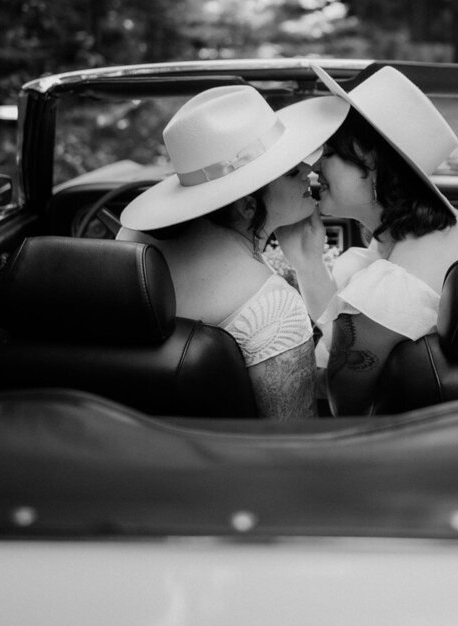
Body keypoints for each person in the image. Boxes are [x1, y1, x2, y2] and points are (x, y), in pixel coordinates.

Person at [116, 83, 348, 419]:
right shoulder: (273, 308)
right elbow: (291, 436)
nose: (309, 172)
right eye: (290, 170)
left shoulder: (132, 239)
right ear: (247, 207)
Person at [280, 64, 458, 415]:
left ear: (373, 162)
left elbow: (342, 406)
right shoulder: (455, 225)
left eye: (330, 153)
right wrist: (307, 262)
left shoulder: (390, 289)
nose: (316, 167)